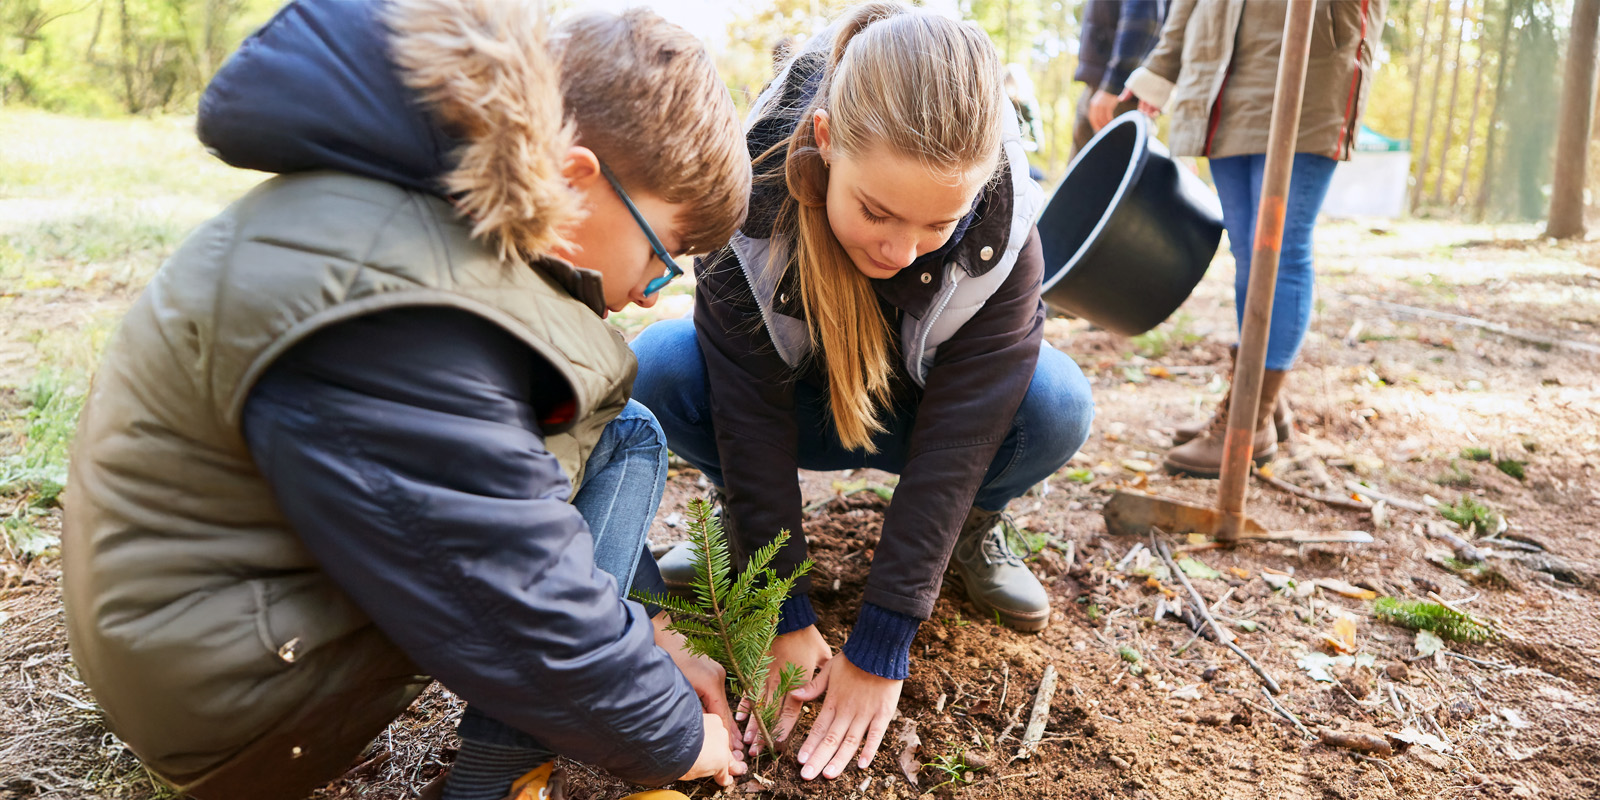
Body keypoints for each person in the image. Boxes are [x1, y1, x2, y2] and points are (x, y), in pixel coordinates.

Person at [60, 1, 753, 799]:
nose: (644, 297)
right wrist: (671, 734)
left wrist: (651, 637)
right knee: (583, 485)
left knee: (618, 430)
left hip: (211, 636)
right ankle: (495, 780)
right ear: (575, 177)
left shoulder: (403, 222)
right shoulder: (394, 305)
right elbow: (511, 597)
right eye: (662, 259)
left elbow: (511, 493)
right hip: (230, 706)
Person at [632, 1, 1094, 782]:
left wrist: (883, 640)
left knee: (1053, 403)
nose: (899, 248)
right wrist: (780, 610)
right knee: (663, 365)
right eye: (875, 210)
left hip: (920, 420)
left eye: (935, 224)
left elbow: (961, 435)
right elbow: (746, 415)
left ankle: (976, 530)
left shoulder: (1003, 226)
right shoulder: (744, 197)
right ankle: (740, 538)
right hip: (793, 412)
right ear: (823, 145)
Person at [1123, 0, 1387, 476]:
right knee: (1248, 247)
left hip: (1309, 54)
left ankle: (1251, 419)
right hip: (1221, 62)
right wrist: (1161, 69)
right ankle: (1260, 400)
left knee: (1280, 247)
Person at [1073, 0, 1168, 155]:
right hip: (1107, 86)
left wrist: (1113, 86)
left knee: (1102, 171)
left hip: (1118, 93)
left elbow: (1142, 18)